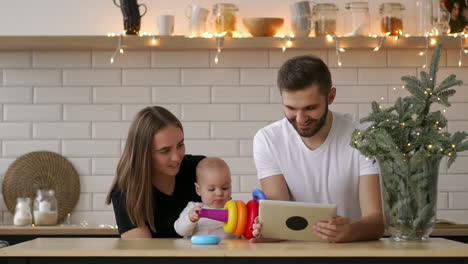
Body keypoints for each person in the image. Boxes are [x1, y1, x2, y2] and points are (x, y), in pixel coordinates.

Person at [251, 55, 384, 243]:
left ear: (331, 96)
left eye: (310, 108)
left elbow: (377, 222)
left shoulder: (362, 135)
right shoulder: (268, 140)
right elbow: (280, 223)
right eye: (291, 108)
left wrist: (349, 232)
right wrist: (262, 230)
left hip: (352, 252)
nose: (300, 118)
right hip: (295, 254)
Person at [105, 106, 205, 238]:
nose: (176, 157)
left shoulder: (200, 169)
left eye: (180, 145)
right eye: (165, 151)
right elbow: (145, 253)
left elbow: (225, 221)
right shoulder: (125, 192)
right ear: (144, 155)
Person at [174, 157, 236, 238]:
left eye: (225, 188)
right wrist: (190, 219)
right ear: (198, 190)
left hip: (227, 250)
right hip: (198, 250)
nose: (219, 193)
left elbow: (244, 234)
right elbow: (180, 231)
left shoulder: (235, 209)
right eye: (211, 189)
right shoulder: (194, 208)